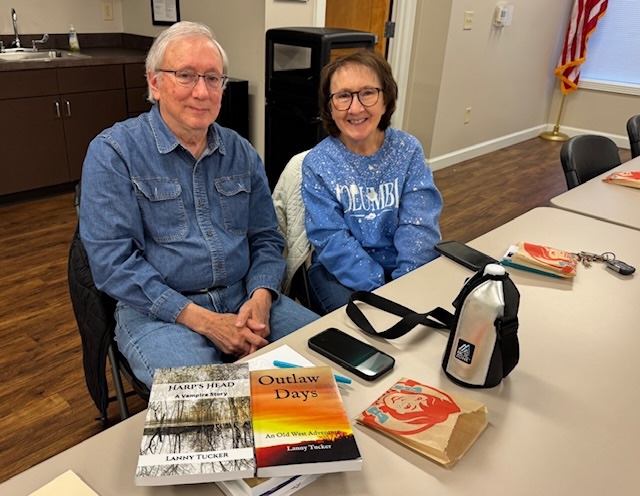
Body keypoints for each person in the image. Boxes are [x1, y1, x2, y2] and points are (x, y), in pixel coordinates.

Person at [80, 21, 318, 388]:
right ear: (155, 83)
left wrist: (260, 299)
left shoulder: (241, 151)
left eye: (212, 78)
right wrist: (207, 322)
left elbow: (266, 239)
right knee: (211, 404)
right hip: (160, 313)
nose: (202, 91)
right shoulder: (114, 153)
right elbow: (114, 265)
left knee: (326, 364)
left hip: (244, 298)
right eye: (186, 75)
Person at [301, 49, 443, 315]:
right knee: (366, 329)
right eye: (343, 96)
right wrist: (381, 289)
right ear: (330, 107)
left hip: (405, 265)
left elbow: (419, 226)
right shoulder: (317, 163)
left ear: (385, 99)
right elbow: (331, 239)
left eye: (367, 93)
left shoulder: (408, 150)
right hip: (341, 272)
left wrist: (405, 283)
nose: (356, 108)